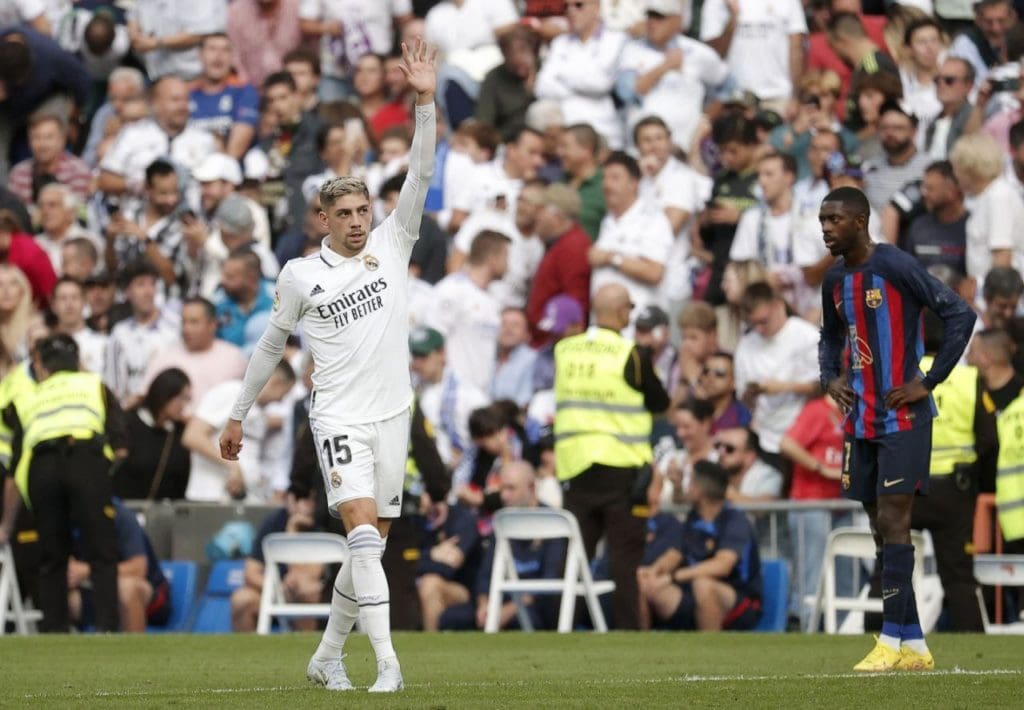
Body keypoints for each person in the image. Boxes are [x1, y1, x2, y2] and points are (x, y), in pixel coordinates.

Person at [219, 39, 437, 693]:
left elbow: (422, 173)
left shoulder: (394, 243)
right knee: (365, 540)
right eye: (342, 213)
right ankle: (389, 666)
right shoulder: (299, 275)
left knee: (372, 542)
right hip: (338, 414)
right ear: (321, 218)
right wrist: (237, 414)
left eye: (362, 210)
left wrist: (424, 102)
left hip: (393, 413)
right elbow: (268, 349)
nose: (355, 222)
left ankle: (326, 656)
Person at [818, 186, 977, 671]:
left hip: (902, 418)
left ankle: (888, 641)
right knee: (878, 527)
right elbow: (829, 336)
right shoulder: (834, 280)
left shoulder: (895, 265)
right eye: (822, 220)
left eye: (834, 219)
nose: (825, 228)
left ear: (861, 221)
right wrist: (831, 378)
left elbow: (960, 314)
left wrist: (927, 381)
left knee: (893, 521)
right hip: (860, 418)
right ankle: (915, 647)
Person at [553, 282, 670, 629]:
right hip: (622, 470)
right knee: (624, 560)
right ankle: (628, 632)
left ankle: (560, 628)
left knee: (575, 557)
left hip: (574, 466)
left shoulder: (565, 350)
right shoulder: (630, 353)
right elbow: (660, 402)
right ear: (622, 313)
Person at [4, 334, 127, 632]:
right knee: (102, 551)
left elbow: (16, 463)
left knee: (51, 555)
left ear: (40, 366)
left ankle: (52, 632)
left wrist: (7, 523)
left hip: (42, 468)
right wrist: (100, 471)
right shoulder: (94, 385)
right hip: (86, 458)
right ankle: (108, 628)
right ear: (78, 362)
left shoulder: (28, 396)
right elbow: (121, 445)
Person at [637, 459, 763, 631]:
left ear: (699, 489)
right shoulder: (693, 518)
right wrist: (655, 571)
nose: (687, 487)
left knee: (703, 585)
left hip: (740, 601)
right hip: (692, 593)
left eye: (690, 482)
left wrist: (674, 576)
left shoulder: (734, 520)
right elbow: (675, 554)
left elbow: (722, 565)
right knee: (644, 582)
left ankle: (709, 652)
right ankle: (642, 648)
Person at [230, 482, 327, 632]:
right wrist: (276, 589)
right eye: (300, 498)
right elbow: (251, 572)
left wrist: (293, 529)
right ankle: (248, 652)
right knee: (242, 600)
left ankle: (309, 651)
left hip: (306, 592)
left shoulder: (322, 522)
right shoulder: (273, 521)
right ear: (289, 499)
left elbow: (307, 576)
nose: (305, 504)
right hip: (274, 590)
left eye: (310, 499)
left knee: (304, 591)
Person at [112, 367, 193, 501]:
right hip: (126, 508)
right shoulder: (128, 424)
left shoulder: (179, 432)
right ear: (165, 394)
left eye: (188, 399)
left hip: (165, 513)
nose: (184, 405)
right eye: (181, 398)